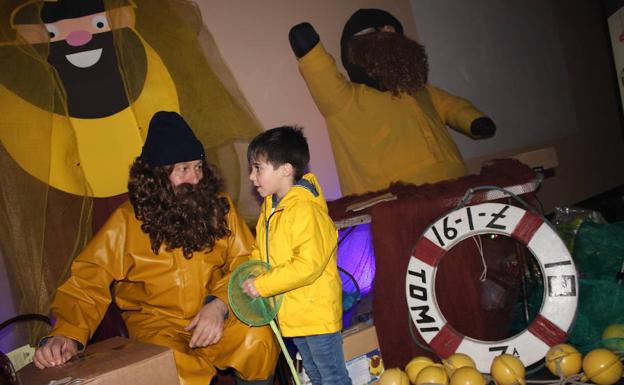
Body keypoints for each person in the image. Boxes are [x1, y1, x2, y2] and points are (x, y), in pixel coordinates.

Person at [32, 111, 279, 385]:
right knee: (175, 370)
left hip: (214, 313)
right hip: (158, 327)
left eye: (198, 167)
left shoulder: (219, 207)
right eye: (183, 169)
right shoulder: (126, 221)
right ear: (157, 176)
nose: (195, 179)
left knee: (258, 340)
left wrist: (219, 305)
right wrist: (65, 334)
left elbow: (246, 260)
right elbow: (89, 280)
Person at [288, 8, 497, 196]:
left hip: (459, 185)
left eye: (393, 31)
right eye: (379, 31)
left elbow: (452, 106)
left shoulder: (423, 92)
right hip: (395, 204)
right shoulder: (347, 99)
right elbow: (322, 75)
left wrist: (474, 120)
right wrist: (311, 50)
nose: (389, 35)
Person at [241, 126, 352, 385]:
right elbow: (262, 251)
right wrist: (252, 272)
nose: (251, 177)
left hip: (315, 314)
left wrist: (263, 285)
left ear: (285, 169)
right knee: (314, 375)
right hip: (293, 314)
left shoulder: (305, 211)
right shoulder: (270, 208)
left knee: (332, 377)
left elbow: (306, 266)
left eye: (258, 168)